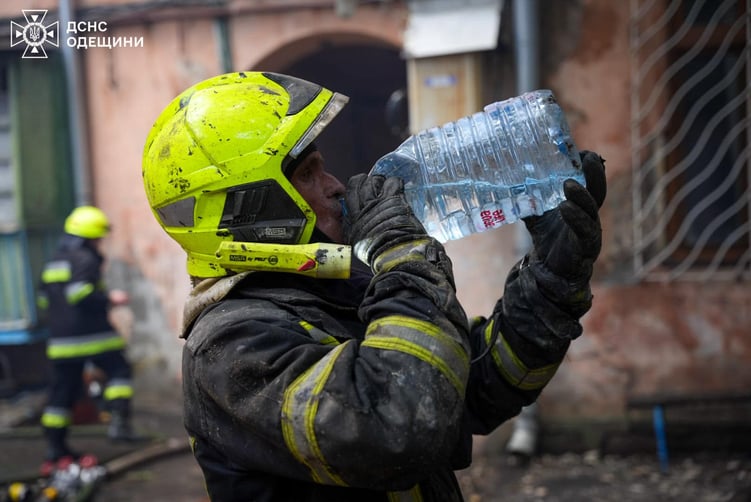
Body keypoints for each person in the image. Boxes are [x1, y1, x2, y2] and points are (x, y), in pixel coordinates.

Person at [141, 72, 606, 501]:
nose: (337, 186)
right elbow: (398, 429)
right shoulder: (231, 346)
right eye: (307, 174)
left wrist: (551, 280)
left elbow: (475, 390)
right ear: (251, 208)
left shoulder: (340, 290)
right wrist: (400, 250)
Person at [37, 206, 136, 471]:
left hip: (60, 341)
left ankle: (55, 448)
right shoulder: (86, 258)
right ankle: (119, 424)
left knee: (61, 393)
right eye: (98, 237)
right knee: (120, 370)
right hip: (93, 334)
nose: (99, 242)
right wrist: (110, 299)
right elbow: (79, 293)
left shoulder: (55, 259)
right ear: (90, 237)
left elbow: (44, 299)